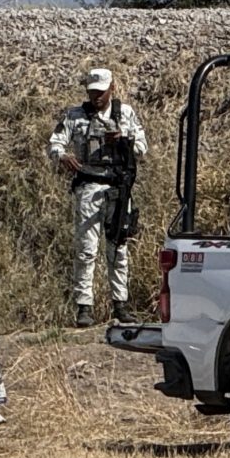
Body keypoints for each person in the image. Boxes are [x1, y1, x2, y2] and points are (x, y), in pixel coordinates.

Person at [48, 68, 148, 327]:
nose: (96, 97)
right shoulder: (75, 116)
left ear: (111, 88)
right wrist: (63, 156)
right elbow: (55, 143)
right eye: (92, 92)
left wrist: (123, 140)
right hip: (88, 187)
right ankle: (84, 306)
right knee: (86, 250)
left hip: (117, 187)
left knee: (118, 248)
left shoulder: (125, 113)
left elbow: (142, 147)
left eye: (101, 92)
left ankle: (120, 304)